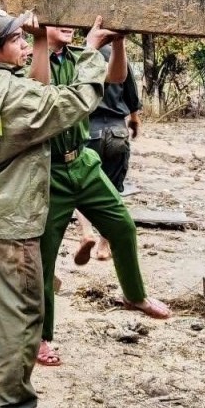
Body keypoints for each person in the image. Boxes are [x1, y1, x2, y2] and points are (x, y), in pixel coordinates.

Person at [0, 5, 116, 408]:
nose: (24, 43)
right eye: (17, 39)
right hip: (13, 218)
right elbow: (72, 102)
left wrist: (38, 41)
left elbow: (29, 96)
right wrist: (90, 52)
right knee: (21, 311)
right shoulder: (17, 97)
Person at [32, 26, 170, 368]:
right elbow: (42, 90)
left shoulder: (78, 55)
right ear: (41, 27)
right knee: (44, 258)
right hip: (48, 171)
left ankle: (134, 295)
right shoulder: (32, 59)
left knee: (122, 226)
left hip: (83, 161)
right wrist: (87, 45)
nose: (68, 27)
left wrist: (119, 41)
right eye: (58, 21)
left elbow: (117, 76)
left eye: (71, 21)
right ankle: (40, 337)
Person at [73, 45, 142, 265]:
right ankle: (104, 245)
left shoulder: (82, 56)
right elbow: (131, 95)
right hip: (117, 132)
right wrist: (134, 119)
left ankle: (86, 233)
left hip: (88, 131)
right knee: (112, 191)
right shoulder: (119, 57)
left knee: (82, 188)